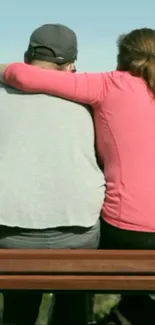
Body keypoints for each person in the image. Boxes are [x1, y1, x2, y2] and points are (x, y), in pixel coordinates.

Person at [3, 27, 155, 325]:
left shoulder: (109, 85)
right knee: (80, 249)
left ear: (122, 58)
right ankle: (126, 312)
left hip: (126, 230)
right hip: (119, 238)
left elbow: (23, 77)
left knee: (79, 252)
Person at [0, 24, 104, 325]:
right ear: (71, 64)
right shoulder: (88, 99)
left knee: (20, 293)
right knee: (74, 289)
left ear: (28, 55)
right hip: (78, 233)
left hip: (10, 233)